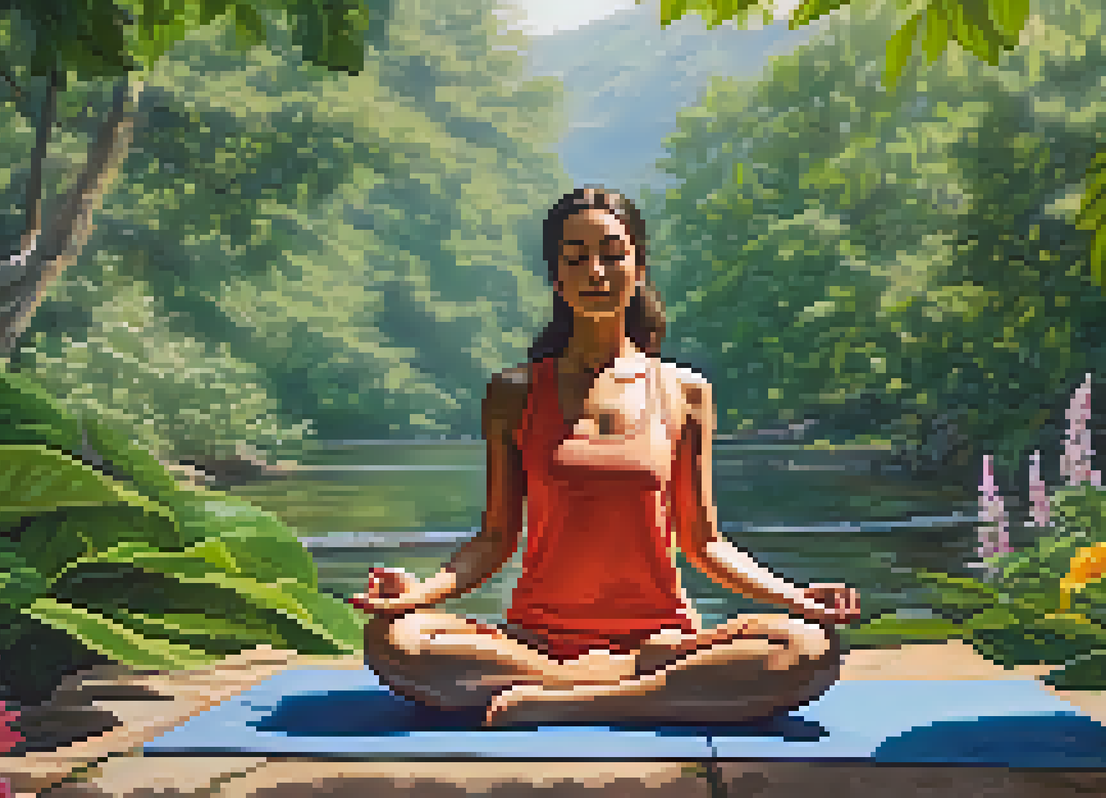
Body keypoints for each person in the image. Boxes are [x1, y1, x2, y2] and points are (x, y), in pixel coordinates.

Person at [348, 186, 860, 728]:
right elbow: (495, 540)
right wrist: (418, 592)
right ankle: (636, 694)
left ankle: (565, 703)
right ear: (555, 275)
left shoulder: (685, 393)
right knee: (394, 638)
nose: (596, 271)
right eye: (576, 257)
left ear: (639, 268)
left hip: (659, 643)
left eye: (613, 254)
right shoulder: (514, 393)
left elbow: (704, 544)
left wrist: (798, 598)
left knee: (808, 645)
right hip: (537, 643)